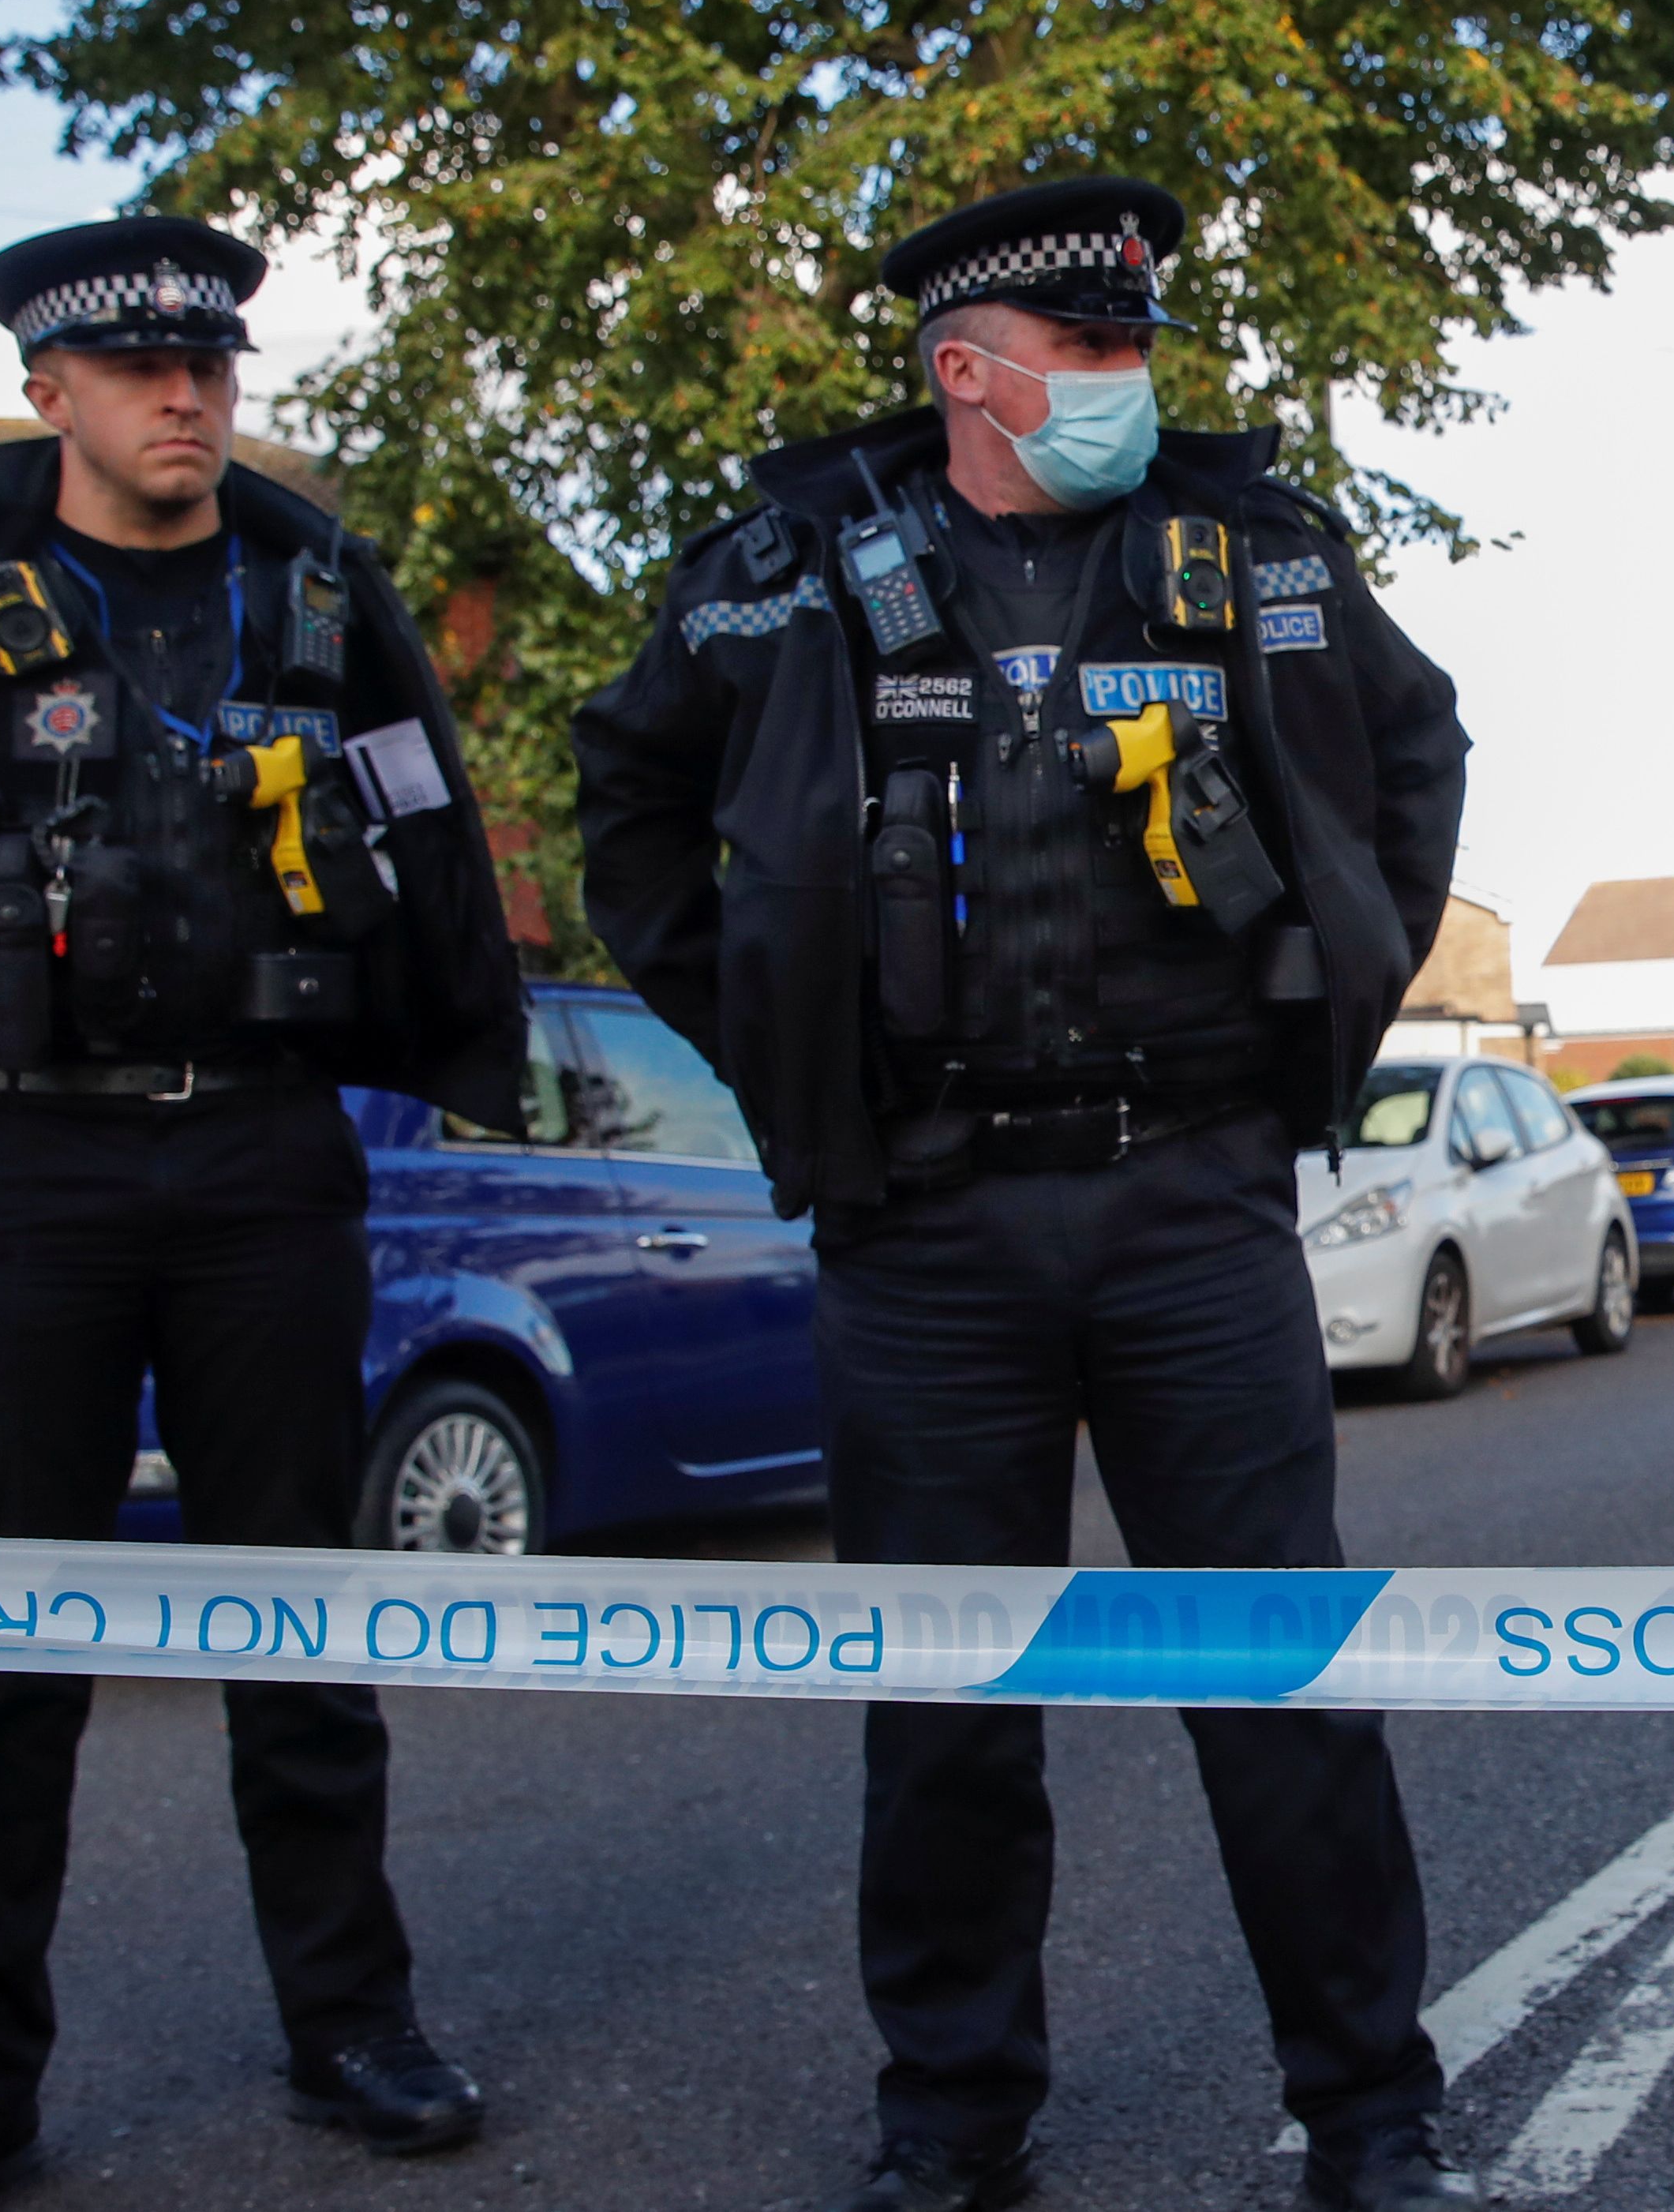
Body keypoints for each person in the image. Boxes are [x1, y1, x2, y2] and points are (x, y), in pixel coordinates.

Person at [571, 177, 1479, 2212]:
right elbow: (626, 800)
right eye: (1090, 351)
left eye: (1145, 343)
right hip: (923, 1224)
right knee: (952, 1706)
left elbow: (1415, 758)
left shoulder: (1256, 549)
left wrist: (1324, 1003)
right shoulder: (789, 568)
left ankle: (1372, 2113)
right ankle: (953, 2119)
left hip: (1193, 1205)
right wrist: (776, 1038)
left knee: (1274, 1680)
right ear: (968, 371)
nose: (1130, 383)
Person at [0, 219, 533, 2211]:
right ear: (52, 397)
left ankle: (352, 2022)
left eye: (211, 363)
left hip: (268, 1162)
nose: (185, 395)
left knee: (302, 1622)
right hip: (24, 1175)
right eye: (138, 369)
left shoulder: (323, 610)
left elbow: (430, 829)